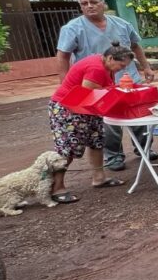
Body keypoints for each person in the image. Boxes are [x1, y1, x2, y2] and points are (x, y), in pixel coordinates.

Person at [55, 0, 155, 172]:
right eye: (84, 4)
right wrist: (66, 85)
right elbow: (63, 56)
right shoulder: (72, 28)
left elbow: (135, 46)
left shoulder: (122, 24)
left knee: (140, 112)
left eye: (93, 2)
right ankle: (114, 156)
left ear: (103, 4)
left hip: (127, 78)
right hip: (94, 83)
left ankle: (144, 148)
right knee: (108, 120)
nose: (89, 6)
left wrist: (145, 67)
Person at [47, 46, 135, 202]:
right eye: (121, 65)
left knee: (96, 141)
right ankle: (56, 188)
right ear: (110, 58)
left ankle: (99, 178)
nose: (122, 69)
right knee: (67, 149)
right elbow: (87, 90)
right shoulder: (96, 68)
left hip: (87, 107)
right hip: (69, 107)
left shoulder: (105, 64)